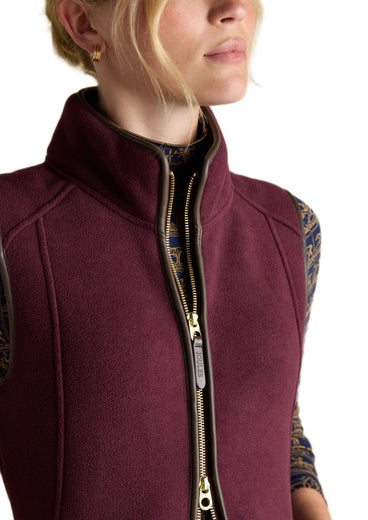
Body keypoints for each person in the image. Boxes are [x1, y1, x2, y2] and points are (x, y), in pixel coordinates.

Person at [0, 0, 331, 519]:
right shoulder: (11, 233)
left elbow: (278, 428)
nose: (234, 8)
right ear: (84, 21)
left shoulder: (289, 229)